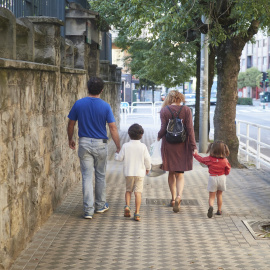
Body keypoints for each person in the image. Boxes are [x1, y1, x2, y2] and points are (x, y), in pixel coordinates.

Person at [67, 77, 121, 219]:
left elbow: (71, 124)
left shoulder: (79, 104)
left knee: (86, 176)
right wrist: (118, 146)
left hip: (84, 143)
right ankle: (100, 205)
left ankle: (88, 210)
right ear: (102, 90)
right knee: (100, 175)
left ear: (87, 88)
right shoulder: (105, 106)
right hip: (100, 144)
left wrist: (70, 139)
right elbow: (113, 127)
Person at [157, 90, 197, 213]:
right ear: (181, 98)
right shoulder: (186, 110)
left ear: (169, 98)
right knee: (180, 174)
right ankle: (179, 196)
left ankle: (173, 199)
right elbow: (190, 129)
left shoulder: (164, 110)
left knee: (171, 173)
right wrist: (193, 146)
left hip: (169, 145)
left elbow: (163, 128)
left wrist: (158, 137)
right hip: (182, 145)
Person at [115, 124, 151, 221]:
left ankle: (127, 206)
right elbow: (147, 159)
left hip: (129, 173)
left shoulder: (126, 146)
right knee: (138, 193)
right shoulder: (143, 146)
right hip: (140, 173)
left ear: (129, 134)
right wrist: (148, 168)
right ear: (141, 135)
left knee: (128, 191)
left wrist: (116, 154)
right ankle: (137, 213)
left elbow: (119, 158)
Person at [193, 141, 231, 218]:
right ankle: (219, 210)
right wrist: (226, 173)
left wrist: (195, 154)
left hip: (212, 178)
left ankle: (211, 207)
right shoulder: (225, 160)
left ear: (212, 149)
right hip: (222, 178)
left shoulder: (210, 159)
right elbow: (228, 169)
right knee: (219, 195)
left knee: (211, 196)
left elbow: (201, 159)